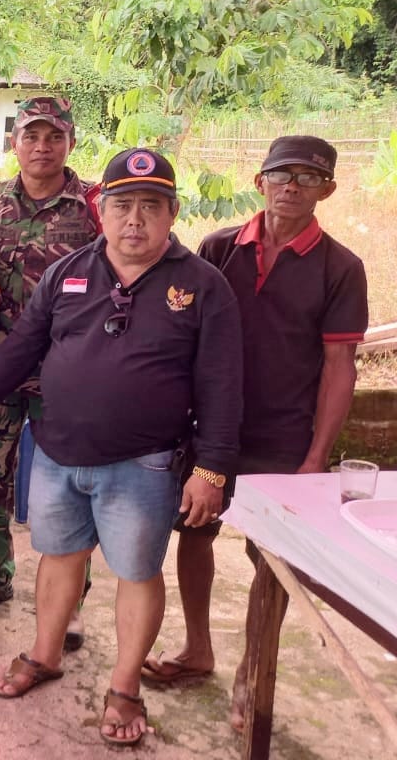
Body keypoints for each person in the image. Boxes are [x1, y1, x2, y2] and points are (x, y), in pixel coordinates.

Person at [0, 148, 242, 747]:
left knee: (136, 572)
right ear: (101, 210)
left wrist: (211, 469)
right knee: (57, 558)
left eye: (151, 208)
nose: (135, 221)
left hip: (144, 463)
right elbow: (22, 349)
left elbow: (222, 382)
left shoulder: (202, 286)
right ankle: (45, 654)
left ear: (172, 212)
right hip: (57, 453)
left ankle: (125, 685)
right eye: (123, 206)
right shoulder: (68, 272)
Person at [142, 135, 367, 732]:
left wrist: (317, 455)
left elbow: (339, 368)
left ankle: (252, 669)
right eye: (280, 174)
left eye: (308, 177)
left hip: (285, 437)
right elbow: (181, 339)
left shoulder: (341, 268)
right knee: (194, 531)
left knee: (272, 561)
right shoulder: (218, 249)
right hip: (212, 428)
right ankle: (197, 649)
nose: (291, 185)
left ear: (328, 190)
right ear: (259, 180)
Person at [0, 97, 102, 643]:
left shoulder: (94, 207)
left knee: (70, 487)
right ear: (13, 143)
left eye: (54, 137)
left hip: (69, 374)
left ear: (69, 143)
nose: (42, 147)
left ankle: (72, 600)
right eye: (31, 136)